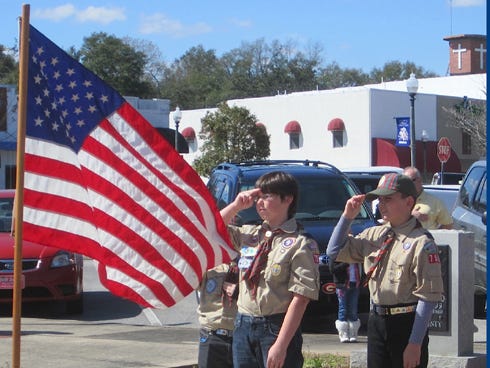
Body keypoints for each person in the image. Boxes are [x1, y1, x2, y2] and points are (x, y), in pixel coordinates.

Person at [327, 173, 443, 368]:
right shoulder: (376, 234)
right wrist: (347, 217)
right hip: (377, 321)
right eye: (379, 199)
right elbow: (334, 252)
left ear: (408, 202)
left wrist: (415, 343)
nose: (381, 204)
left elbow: (428, 297)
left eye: (388, 198)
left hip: (406, 323)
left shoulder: (421, 243)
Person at [220, 171, 320, 368]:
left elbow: (301, 298)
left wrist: (281, 345)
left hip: (276, 327)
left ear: (288, 199)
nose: (259, 203)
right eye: (258, 197)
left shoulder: (300, 243)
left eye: (267, 196)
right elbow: (211, 228)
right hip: (243, 323)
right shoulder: (250, 234)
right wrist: (235, 206)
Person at [197, 260, 239, 368]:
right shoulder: (209, 260)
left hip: (241, 337)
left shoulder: (253, 261)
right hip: (211, 335)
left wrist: (242, 290)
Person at [329, 260, 362, 343]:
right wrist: (345, 263)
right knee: (343, 308)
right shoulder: (337, 253)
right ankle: (343, 333)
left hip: (355, 284)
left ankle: (353, 333)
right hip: (342, 285)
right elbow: (332, 269)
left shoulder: (356, 255)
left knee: (353, 309)